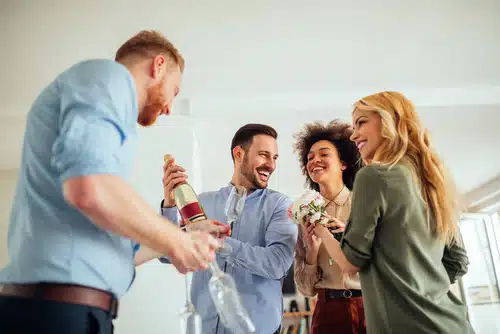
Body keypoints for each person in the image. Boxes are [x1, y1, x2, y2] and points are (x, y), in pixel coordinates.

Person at [0, 30, 220, 334]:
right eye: (175, 90)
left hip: (74, 311)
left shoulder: (106, 128)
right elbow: (89, 188)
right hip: (56, 312)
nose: (169, 107)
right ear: (158, 66)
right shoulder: (109, 76)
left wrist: (185, 238)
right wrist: (175, 241)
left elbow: (124, 250)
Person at [313, 91, 474, 333]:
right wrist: (419, 290)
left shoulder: (373, 176)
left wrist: (319, 227)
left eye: (361, 122)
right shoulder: (432, 181)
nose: (354, 134)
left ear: (390, 120)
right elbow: (457, 261)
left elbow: (350, 263)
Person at [160, 123, 299, 334]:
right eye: (264, 155)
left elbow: (277, 264)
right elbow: (166, 254)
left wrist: (219, 243)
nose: (271, 165)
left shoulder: (280, 206)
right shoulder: (202, 204)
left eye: (275, 158)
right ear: (239, 154)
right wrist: (170, 206)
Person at [292, 120, 365, 334]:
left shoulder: (364, 205)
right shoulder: (304, 215)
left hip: (369, 306)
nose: (315, 160)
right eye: (310, 157)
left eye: (324, 154)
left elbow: (381, 265)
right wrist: (312, 253)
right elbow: (305, 289)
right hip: (327, 312)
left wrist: (349, 238)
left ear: (343, 163)